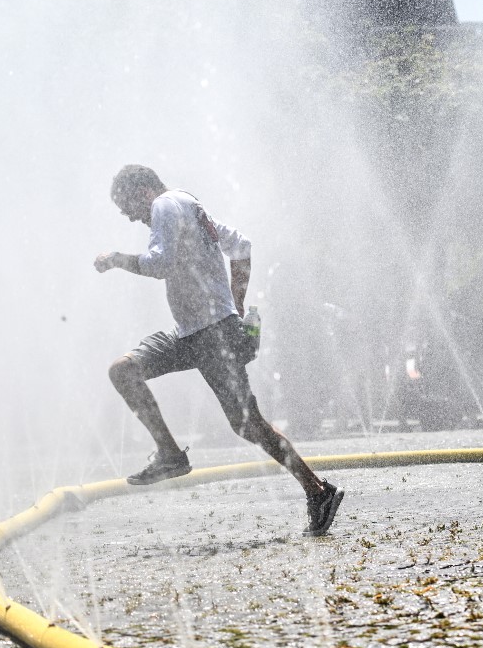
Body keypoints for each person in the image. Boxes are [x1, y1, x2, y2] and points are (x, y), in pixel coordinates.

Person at [94, 165, 343, 536]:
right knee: (124, 371)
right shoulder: (190, 204)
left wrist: (117, 259)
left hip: (212, 336)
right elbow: (241, 247)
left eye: (127, 206)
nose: (131, 217)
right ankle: (171, 455)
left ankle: (317, 490)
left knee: (248, 425)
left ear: (144, 191)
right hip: (192, 334)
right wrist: (236, 304)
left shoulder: (164, 204)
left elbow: (159, 264)